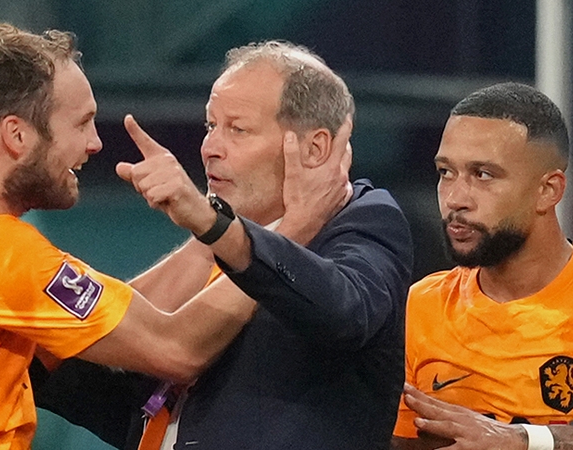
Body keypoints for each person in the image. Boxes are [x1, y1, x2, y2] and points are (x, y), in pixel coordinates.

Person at [0, 24, 349, 449]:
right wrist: (295, 228)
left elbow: (125, 318)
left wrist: (212, 226)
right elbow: (175, 348)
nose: (94, 143)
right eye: (82, 123)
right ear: (17, 135)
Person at [115, 41, 414, 450]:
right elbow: (123, 334)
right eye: (210, 126)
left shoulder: (364, 219)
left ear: (314, 148)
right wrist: (212, 232)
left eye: (237, 129)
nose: (210, 148)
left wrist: (215, 224)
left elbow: (344, 313)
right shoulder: (224, 237)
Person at [392, 82, 573, 450]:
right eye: (446, 172)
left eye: (483, 175)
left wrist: (526, 440)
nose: (455, 198)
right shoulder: (421, 306)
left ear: (548, 190)